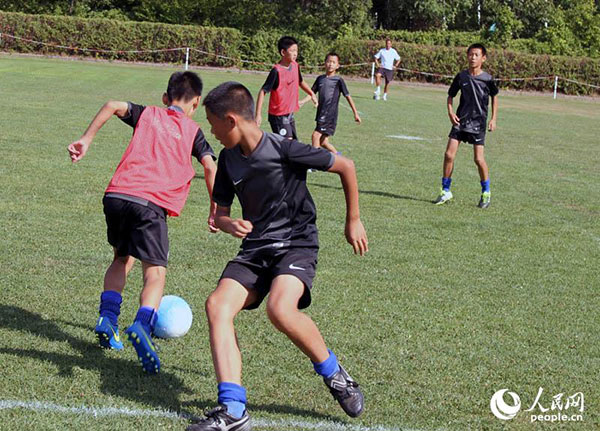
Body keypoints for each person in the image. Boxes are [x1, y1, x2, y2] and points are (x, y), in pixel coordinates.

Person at [186, 81, 368, 431]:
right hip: (255, 249)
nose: (210, 131)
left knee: (280, 309)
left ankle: (336, 375)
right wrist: (228, 224)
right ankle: (234, 410)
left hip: (295, 244)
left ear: (231, 120)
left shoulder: (284, 149)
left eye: (212, 124)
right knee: (217, 305)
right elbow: (220, 212)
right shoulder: (227, 159)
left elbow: (347, 166)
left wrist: (353, 220)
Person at [67, 71, 218, 374]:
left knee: (122, 258)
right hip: (150, 205)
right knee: (156, 273)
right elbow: (210, 166)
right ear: (197, 102)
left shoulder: (147, 114)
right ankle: (143, 326)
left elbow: (111, 104)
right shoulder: (193, 130)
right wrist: (215, 209)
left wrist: (86, 139)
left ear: (165, 99)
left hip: (117, 196)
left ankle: (108, 320)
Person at [434, 43, 499, 209]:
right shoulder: (461, 76)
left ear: (483, 58)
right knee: (449, 155)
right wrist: (450, 112)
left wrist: (493, 119)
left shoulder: (488, 79)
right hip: (460, 121)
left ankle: (486, 192)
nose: (473, 57)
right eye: (470, 54)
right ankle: (445, 191)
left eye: (476, 55)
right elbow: (450, 95)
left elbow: (495, 97)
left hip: (478, 123)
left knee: (478, 159)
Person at [255, 36, 318, 140]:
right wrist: (258, 115)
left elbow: (300, 82)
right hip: (278, 116)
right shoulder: (276, 71)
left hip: (289, 114)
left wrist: (312, 94)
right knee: (287, 146)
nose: (295, 53)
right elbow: (263, 91)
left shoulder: (295, 66)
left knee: (293, 144)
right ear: (283, 52)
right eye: (292, 50)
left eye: (296, 50)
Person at [300, 52, 361, 154]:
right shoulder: (320, 79)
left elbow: (348, 96)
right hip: (321, 114)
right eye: (328, 61)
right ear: (325, 63)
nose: (330, 64)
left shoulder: (338, 80)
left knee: (315, 136)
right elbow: (311, 94)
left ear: (337, 66)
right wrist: (302, 101)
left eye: (333, 62)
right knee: (323, 142)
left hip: (329, 115)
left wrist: (355, 113)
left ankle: (314, 162)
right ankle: (338, 156)